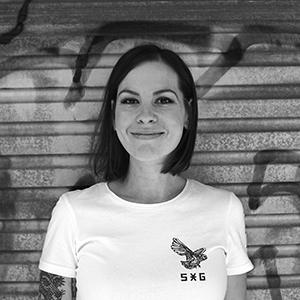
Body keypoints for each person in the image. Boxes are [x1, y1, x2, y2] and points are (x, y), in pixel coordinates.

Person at [38, 44, 253, 300]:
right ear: (114, 114)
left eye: (163, 100)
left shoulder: (224, 209)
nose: (146, 115)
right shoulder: (72, 213)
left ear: (187, 113)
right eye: (131, 101)